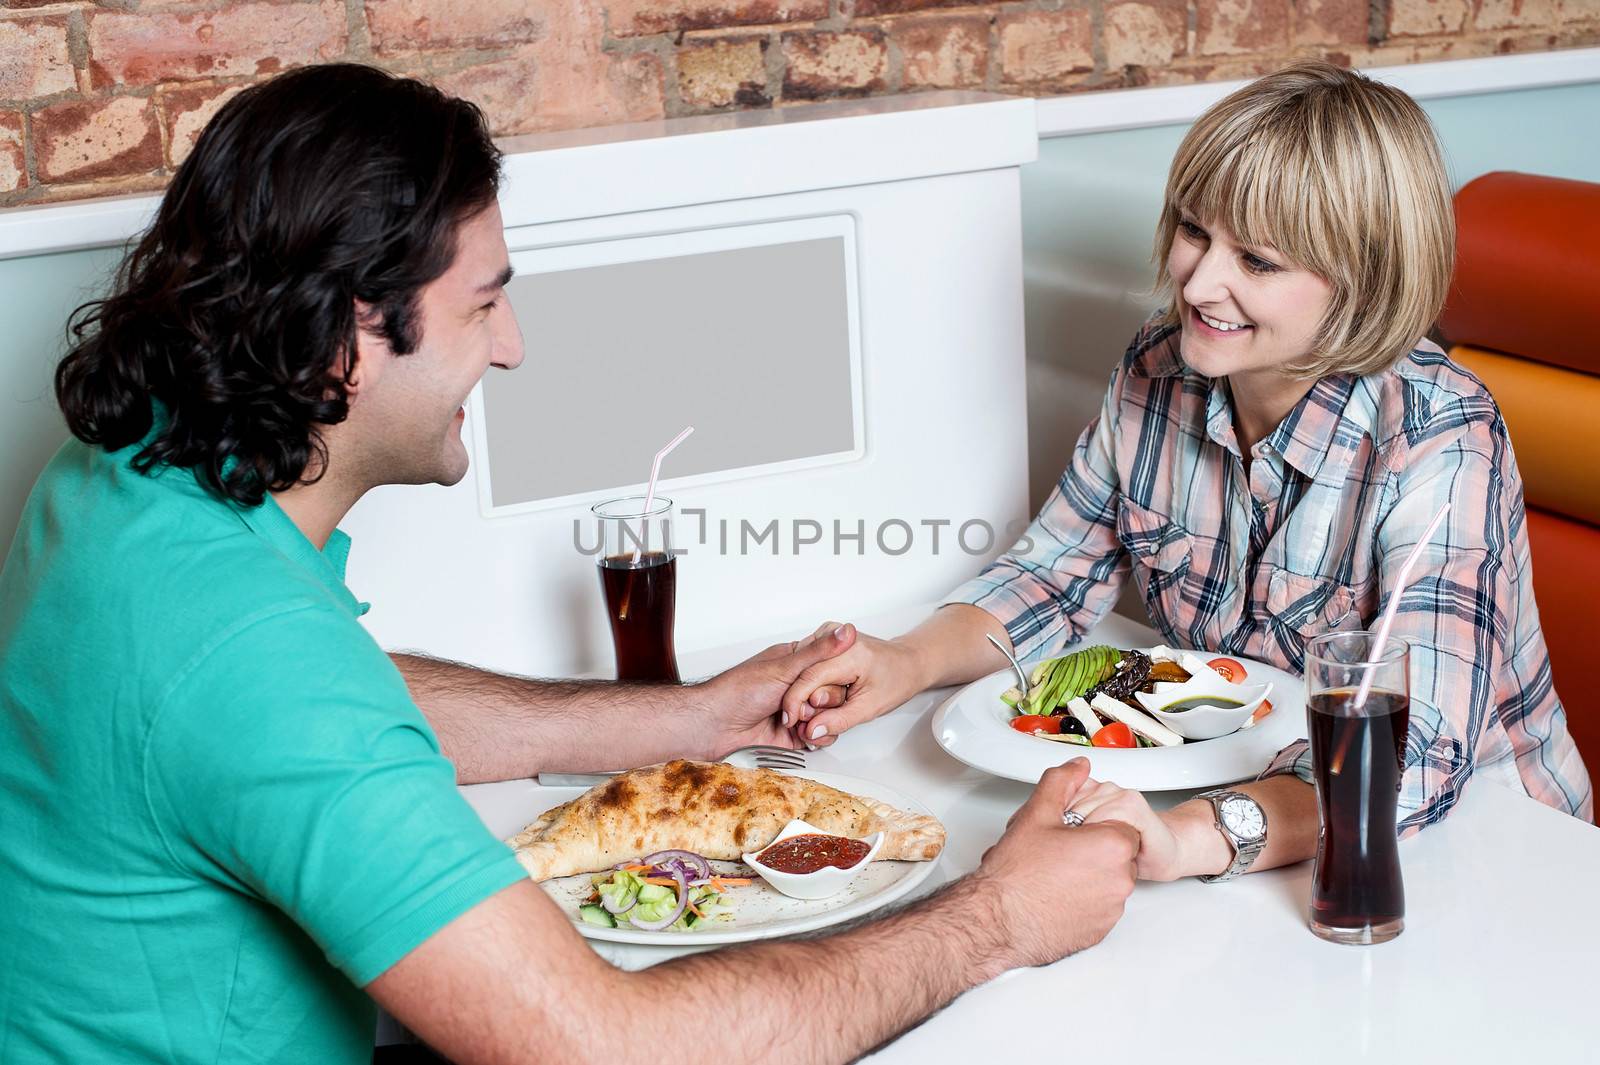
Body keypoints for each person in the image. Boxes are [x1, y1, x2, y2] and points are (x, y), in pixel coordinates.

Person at [0, 64, 1140, 1065]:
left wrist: (687, 720)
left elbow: (336, 703)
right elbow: (602, 1046)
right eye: (483, 303)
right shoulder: (253, 665)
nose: (512, 346)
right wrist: (998, 916)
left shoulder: (130, 465)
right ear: (351, 335)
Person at [780, 60, 1592, 882]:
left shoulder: (1438, 434)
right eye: (1195, 231)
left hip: (1486, 848)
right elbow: (1054, 577)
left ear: (1362, 281)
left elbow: (1412, 749)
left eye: (1259, 262)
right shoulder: (1158, 364)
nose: (1201, 282)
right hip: (1254, 815)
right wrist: (900, 662)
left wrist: (1192, 841)